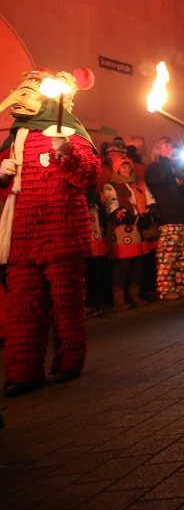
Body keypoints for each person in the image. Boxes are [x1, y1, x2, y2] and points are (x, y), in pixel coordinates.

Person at [0, 67, 97, 397]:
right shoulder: (17, 137)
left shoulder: (71, 133)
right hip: (24, 235)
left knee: (65, 302)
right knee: (23, 304)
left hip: (62, 232)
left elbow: (87, 177)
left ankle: (69, 360)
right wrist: (2, 174)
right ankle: (23, 370)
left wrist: (66, 154)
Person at [145, 137, 184, 299]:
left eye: (172, 145)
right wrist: (166, 160)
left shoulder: (177, 169)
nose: (171, 148)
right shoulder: (154, 168)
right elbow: (160, 179)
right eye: (166, 146)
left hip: (183, 219)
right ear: (158, 149)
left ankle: (180, 284)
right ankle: (166, 289)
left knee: (183, 256)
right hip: (167, 219)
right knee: (168, 256)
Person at [102, 153, 157, 309]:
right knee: (123, 262)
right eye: (123, 166)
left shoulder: (138, 184)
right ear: (117, 169)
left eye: (128, 166)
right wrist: (136, 220)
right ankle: (118, 298)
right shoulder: (111, 186)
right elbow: (113, 209)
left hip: (138, 228)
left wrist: (149, 214)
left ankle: (134, 294)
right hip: (122, 230)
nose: (126, 168)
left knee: (137, 261)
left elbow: (150, 200)